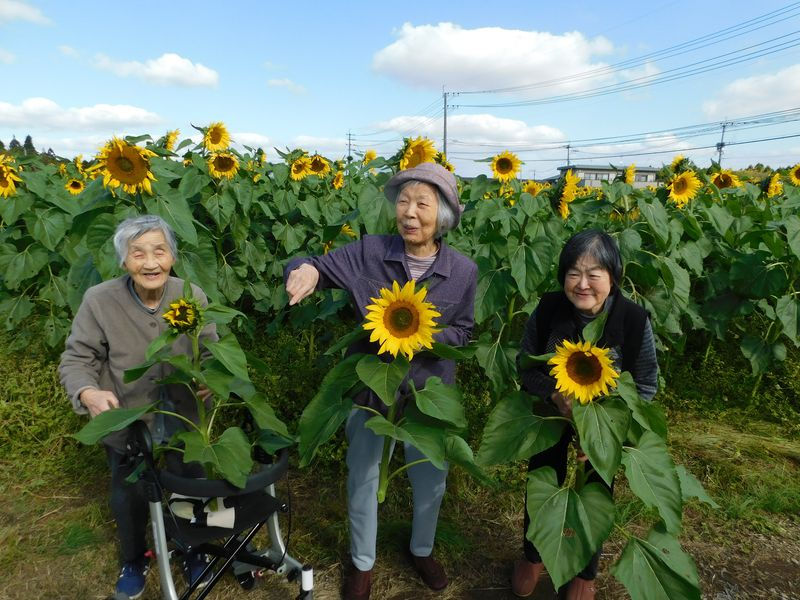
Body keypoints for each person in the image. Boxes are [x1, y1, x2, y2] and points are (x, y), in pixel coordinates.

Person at [284, 162, 477, 600]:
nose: (409, 213)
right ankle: (362, 563)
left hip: (429, 392)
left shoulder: (463, 271)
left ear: (442, 215)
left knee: (431, 475)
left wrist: (421, 337)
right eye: (403, 202)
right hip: (371, 391)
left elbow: (464, 331)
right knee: (364, 474)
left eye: (421, 204)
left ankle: (422, 549)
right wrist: (305, 271)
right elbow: (316, 265)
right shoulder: (370, 253)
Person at [59, 215, 218, 600]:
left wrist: (210, 377)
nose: (151, 263)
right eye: (138, 253)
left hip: (183, 416)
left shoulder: (190, 294)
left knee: (189, 483)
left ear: (172, 257)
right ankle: (134, 558)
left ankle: (190, 548)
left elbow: (212, 348)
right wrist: (88, 393)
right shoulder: (100, 300)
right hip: (128, 418)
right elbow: (77, 359)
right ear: (123, 261)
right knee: (127, 493)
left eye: (159, 251)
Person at [511, 229, 658, 600]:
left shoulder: (634, 319)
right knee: (542, 486)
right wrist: (555, 397)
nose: (583, 283)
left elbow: (645, 386)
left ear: (613, 276)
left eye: (594, 274)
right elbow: (525, 367)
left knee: (595, 496)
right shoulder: (548, 309)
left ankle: (585, 571)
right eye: (573, 273)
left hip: (604, 430)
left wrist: (609, 433)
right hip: (551, 421)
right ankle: (533, 556)